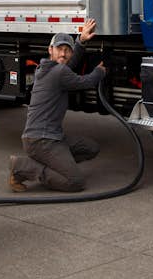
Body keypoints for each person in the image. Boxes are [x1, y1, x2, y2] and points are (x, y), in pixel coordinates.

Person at [8, 20, 106, 192]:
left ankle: (55, 164)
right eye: (60, 49)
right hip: (41, 141)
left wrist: (80, 41)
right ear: (50, 50)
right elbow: (86, 81)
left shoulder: (46, 68)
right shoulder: (59, 72)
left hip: (51, 137)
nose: (64, 53)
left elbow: (68, 65)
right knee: (75, 182)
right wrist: (99, 72)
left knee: (91, 148)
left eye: (67, 50)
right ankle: (22, 166)